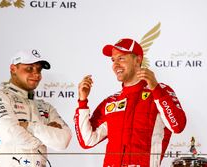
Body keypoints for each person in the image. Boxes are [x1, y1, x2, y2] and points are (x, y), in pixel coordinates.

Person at [74, 38, 187, 167]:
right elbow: (87, 141)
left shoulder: (159, 92)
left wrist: (155, 88)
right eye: (113, 60)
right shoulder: (111, 102)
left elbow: (177, 126)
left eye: (121, 58)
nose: (115, 65)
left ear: (137, 60)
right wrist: (82, 102)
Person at [0, 49, 72, 167]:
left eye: (39, 69)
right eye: (29, 68)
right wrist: (44, 137)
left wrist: (29, 126)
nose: (37, 74)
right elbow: (10, 135)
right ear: (13, 69)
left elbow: (63, 140)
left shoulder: (45, 107)